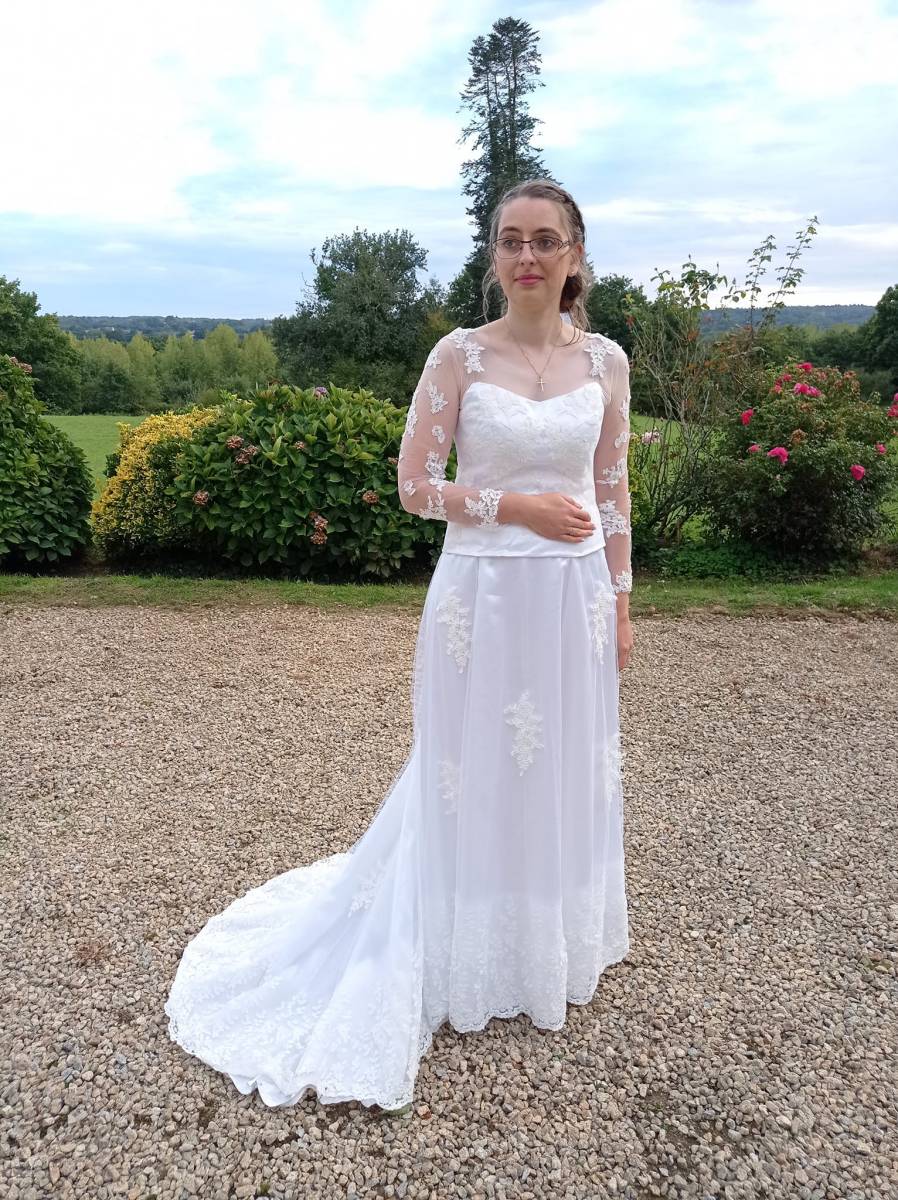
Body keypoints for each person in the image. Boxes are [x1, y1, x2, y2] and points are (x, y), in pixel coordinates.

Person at [164, 178, 634, 1113]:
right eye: (511, 240)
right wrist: (516, 507)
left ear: (576, 254)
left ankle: (540, 943)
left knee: (561, 765)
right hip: (481, 595)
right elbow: (415, 484)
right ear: (493, 256)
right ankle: (461, 943)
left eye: (545, 240)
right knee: (469, 764)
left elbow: (614, 488)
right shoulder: (459, 355)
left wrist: (621, 602)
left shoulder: (608, 363)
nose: (527, 256)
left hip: (574, 598)